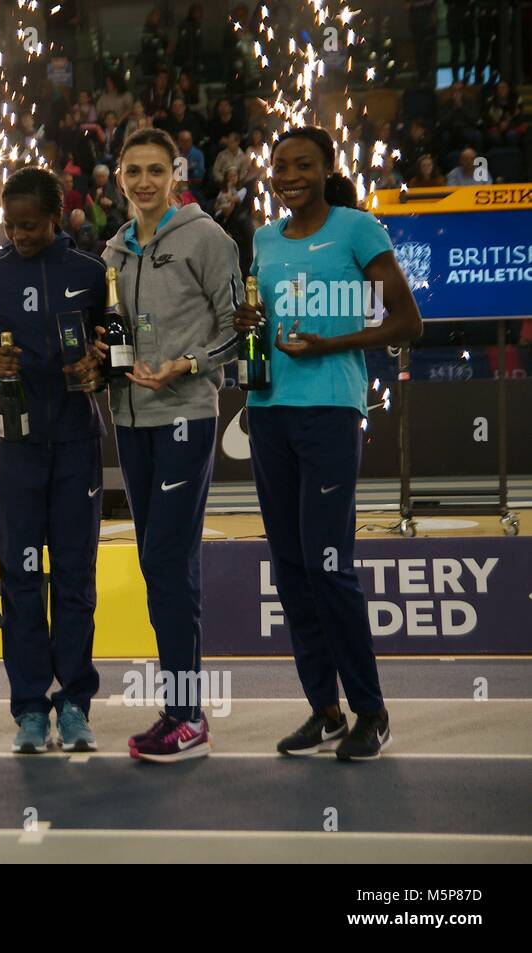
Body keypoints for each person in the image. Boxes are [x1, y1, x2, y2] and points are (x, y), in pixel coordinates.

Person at [233, 125, 423, 761]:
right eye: (281, 166)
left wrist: (330, 346)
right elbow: (265, 321)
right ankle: (325, 710)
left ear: (326, 169)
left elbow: (407, 321)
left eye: (303, 165)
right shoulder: (262, 239)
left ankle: (371, 709)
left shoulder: (357, 227)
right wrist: (250, 327)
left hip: (330, 411)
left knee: (328, 563)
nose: (289, 176)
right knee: (290, 567)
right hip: (268, 410)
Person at [101, 128, 241, 762]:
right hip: (130, 420)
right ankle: (181, 713)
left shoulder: (208, 238)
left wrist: (187, 364)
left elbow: (242, 330)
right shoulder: (114, 250)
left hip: (185, 411)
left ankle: (187, 714)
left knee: (164, 559)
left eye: (155, 170)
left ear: (176, 174)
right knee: (167, 562)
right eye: (133, 171)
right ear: (119, 177)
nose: (143, 182)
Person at [0, 167, 107, 754]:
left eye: (31, 225)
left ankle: (74, 703)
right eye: (11, 225)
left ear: (58, 217)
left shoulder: (93, 273)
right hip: (14, 445)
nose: (19, 235)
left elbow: (112, 349)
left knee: (74, 579)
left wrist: (97, 366)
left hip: (76, 441)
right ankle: (28, 708)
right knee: (22, 580)